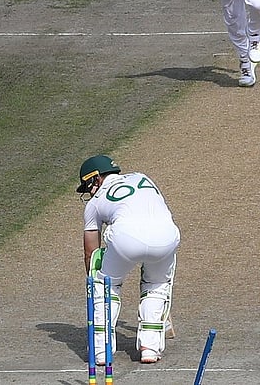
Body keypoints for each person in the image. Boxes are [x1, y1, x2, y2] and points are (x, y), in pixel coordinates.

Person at [77, 154, 181, 364]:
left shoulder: (94, 203)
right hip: (167, 235)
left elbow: (91, 252)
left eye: (88, 187)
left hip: (126, 237)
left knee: (105, 282)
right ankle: (150, 348)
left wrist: (95, 280)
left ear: (95, 179)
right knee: (157, 284)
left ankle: (101, 350)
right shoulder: (143, 178)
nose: (89, 192)